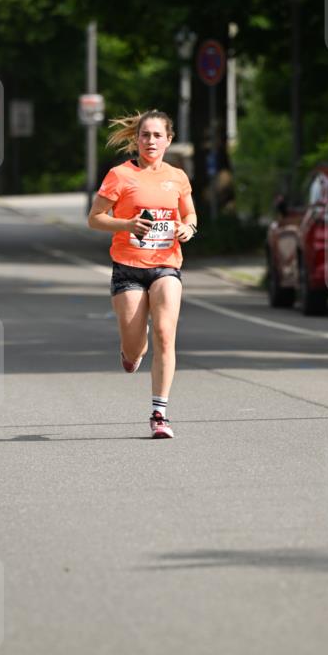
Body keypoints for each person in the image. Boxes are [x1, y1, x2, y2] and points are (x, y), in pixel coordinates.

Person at [87, 110, 197, 439]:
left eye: (157, 135)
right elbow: (95, 218)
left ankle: (159, 414)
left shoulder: (177, 176)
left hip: (166, 264)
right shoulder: (119, 175)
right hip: (128, 267)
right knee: (135, 346)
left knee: (166, 333)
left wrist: (187, 228)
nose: (151, 141)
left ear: (168, 140)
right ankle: (132, 349)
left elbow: (189, 212)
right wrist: (127, 224)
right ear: (137, 139)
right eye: (145, 135)